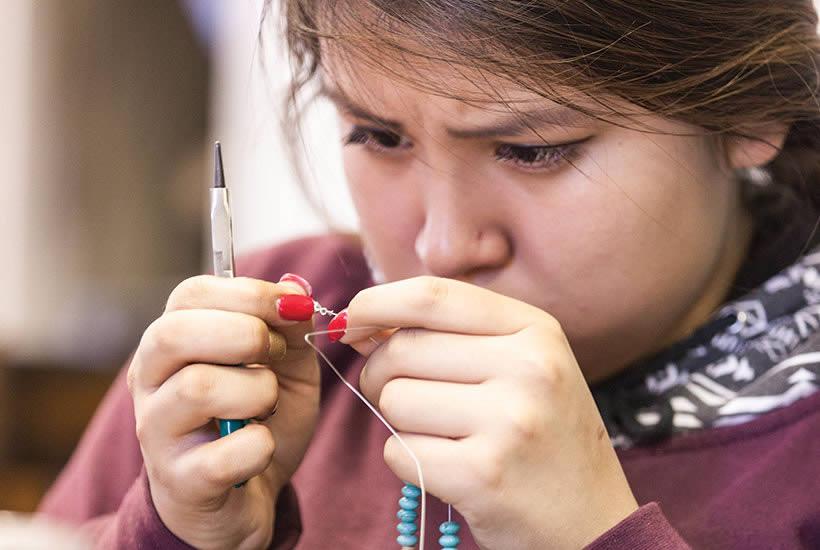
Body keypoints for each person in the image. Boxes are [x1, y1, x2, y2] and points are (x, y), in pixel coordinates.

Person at [38, 1, 820, 548]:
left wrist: (593, 537)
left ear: (751, 112)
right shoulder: (248, 358)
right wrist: (175, 534)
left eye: (532, 150)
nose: (444, 247)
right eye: (379, 136)